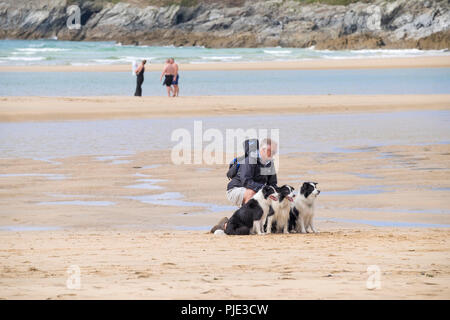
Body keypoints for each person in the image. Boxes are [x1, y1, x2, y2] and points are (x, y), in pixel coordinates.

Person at [210, 138, 278, 233]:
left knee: (273, 197)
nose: (273, 154)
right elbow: (246, 181)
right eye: (271, 151)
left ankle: (229, 222)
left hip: (255, 190)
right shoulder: (250, 160)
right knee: (252, 193)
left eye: (274, 151)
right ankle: (225, 226)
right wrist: (262, 190)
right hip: (235, 189)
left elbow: (272, 184)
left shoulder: (269, 164)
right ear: (262, 150)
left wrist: (279, 194)